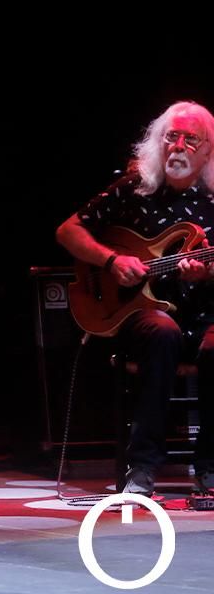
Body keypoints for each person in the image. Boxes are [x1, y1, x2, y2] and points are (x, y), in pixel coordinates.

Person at [56, 100, 214, 497]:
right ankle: (142, 467)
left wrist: (206, 272)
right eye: (171, 136)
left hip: (204, 312)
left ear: (210, 149)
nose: (178, 145)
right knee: (162, 334)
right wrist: (111, 260)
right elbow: (68, 231)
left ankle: (209, 466)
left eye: (191, 139)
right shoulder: (134, 187)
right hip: (140, 313)